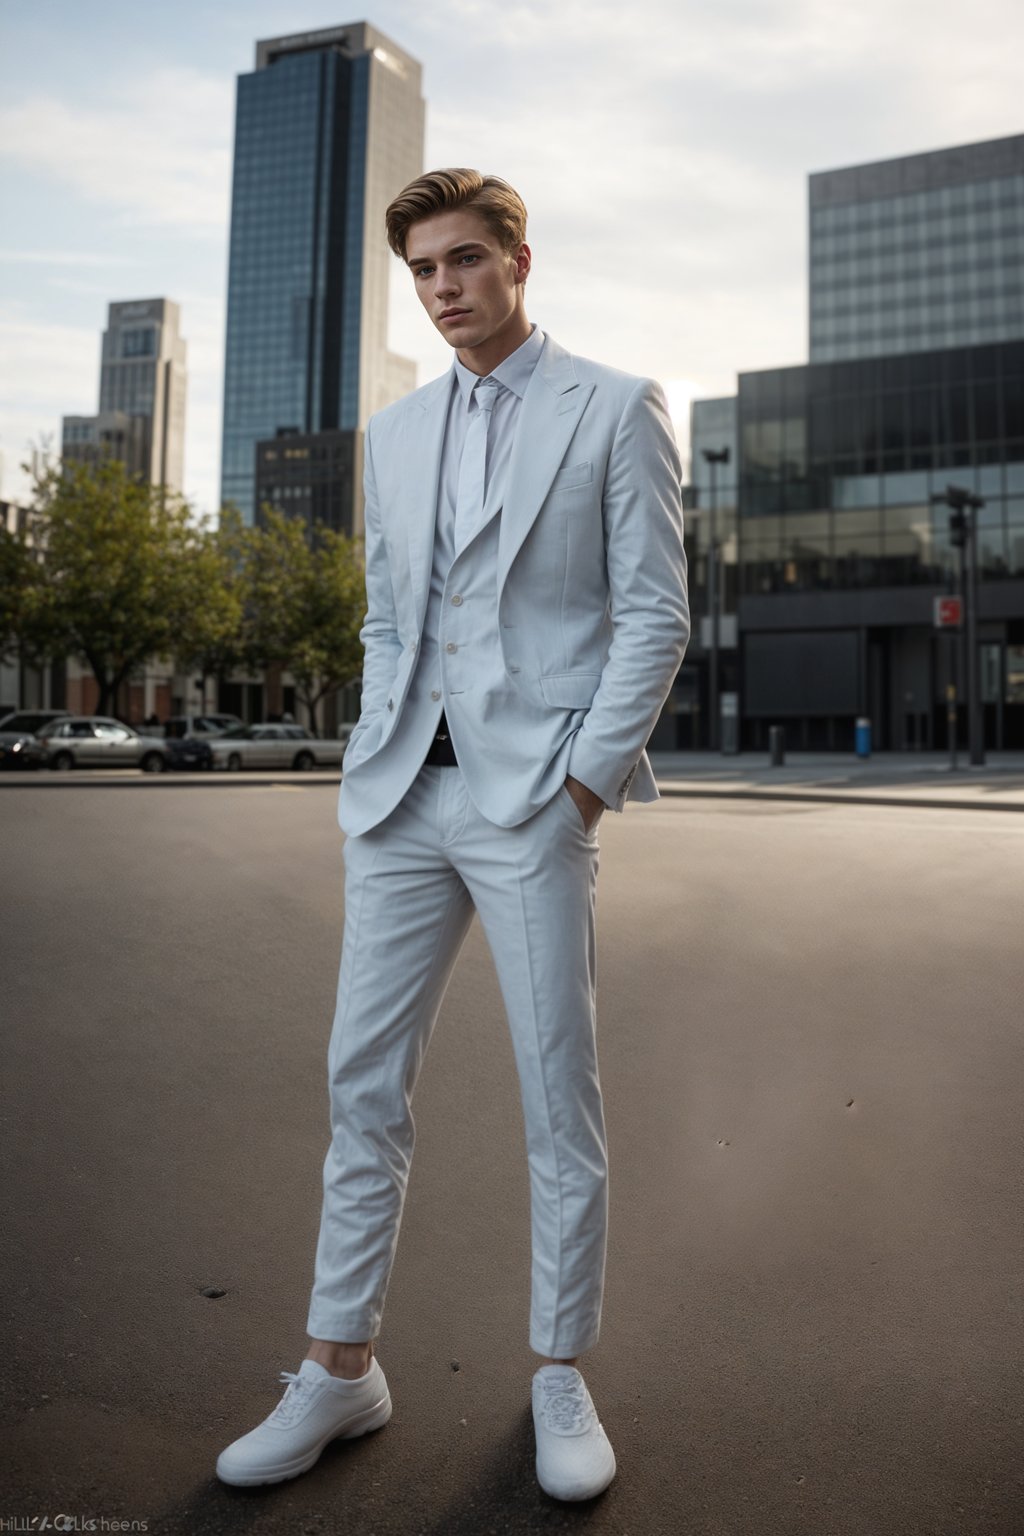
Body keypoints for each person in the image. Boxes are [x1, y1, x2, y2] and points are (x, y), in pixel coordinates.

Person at [216, 168, 689, 1501]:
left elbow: (654, 614)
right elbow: (386, 618)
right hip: (401, 797)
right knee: (360, 1087)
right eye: (423, 270)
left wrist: (583, 784)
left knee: (557, 1094)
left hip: (534, 796)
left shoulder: (615, 406)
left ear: (519, 262)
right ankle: (340, 1366)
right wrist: (376, 738)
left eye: (465, 261)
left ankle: (555, 1369)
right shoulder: (402, 429)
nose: (443, 289)